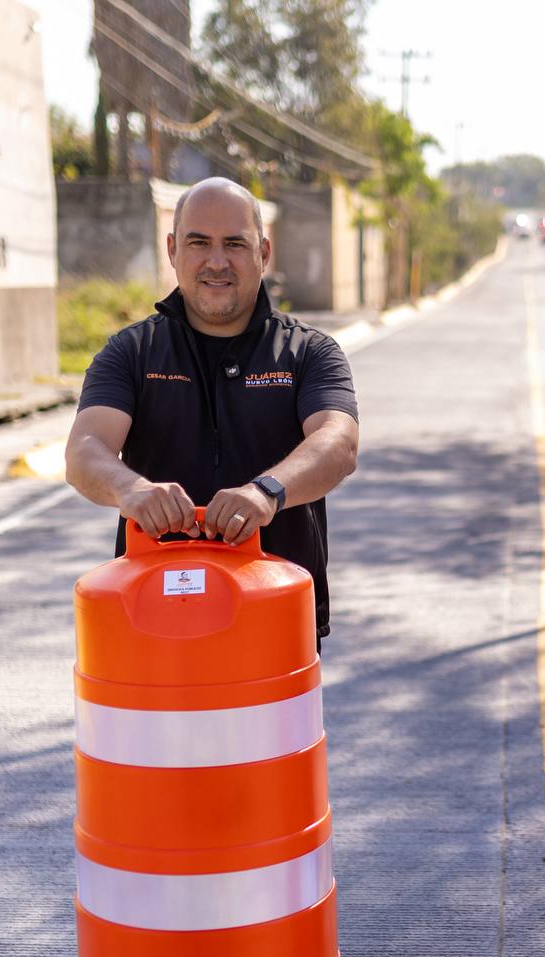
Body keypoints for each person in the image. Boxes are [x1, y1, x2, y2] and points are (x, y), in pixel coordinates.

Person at [65, 177, 359, 639]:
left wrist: (266, 493)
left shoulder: (310, 352)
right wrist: (132, 490)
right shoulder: (131, 353)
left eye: (235, 244)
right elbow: (84, 450)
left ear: (263, 253)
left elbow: (338, 443)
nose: (217, 262)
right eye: (198, 242)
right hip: (150, 624)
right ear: (172, 249)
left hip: (276, 618)